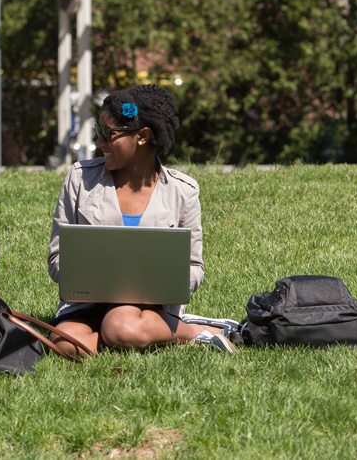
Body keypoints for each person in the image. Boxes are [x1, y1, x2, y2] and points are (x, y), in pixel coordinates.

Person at [47, 84, 241, 355]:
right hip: (87, 304)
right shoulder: (79, 180)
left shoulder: (183, 191)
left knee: (120, 325)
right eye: (97, 132)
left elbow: (194, 266)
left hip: (151, 307)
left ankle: (196, 331)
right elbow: (57, 261)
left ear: (142, 136)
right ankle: (157, 335)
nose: (99, 142)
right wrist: (84, 277)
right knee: (66, 344)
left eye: (107, 134)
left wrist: (163, 284)